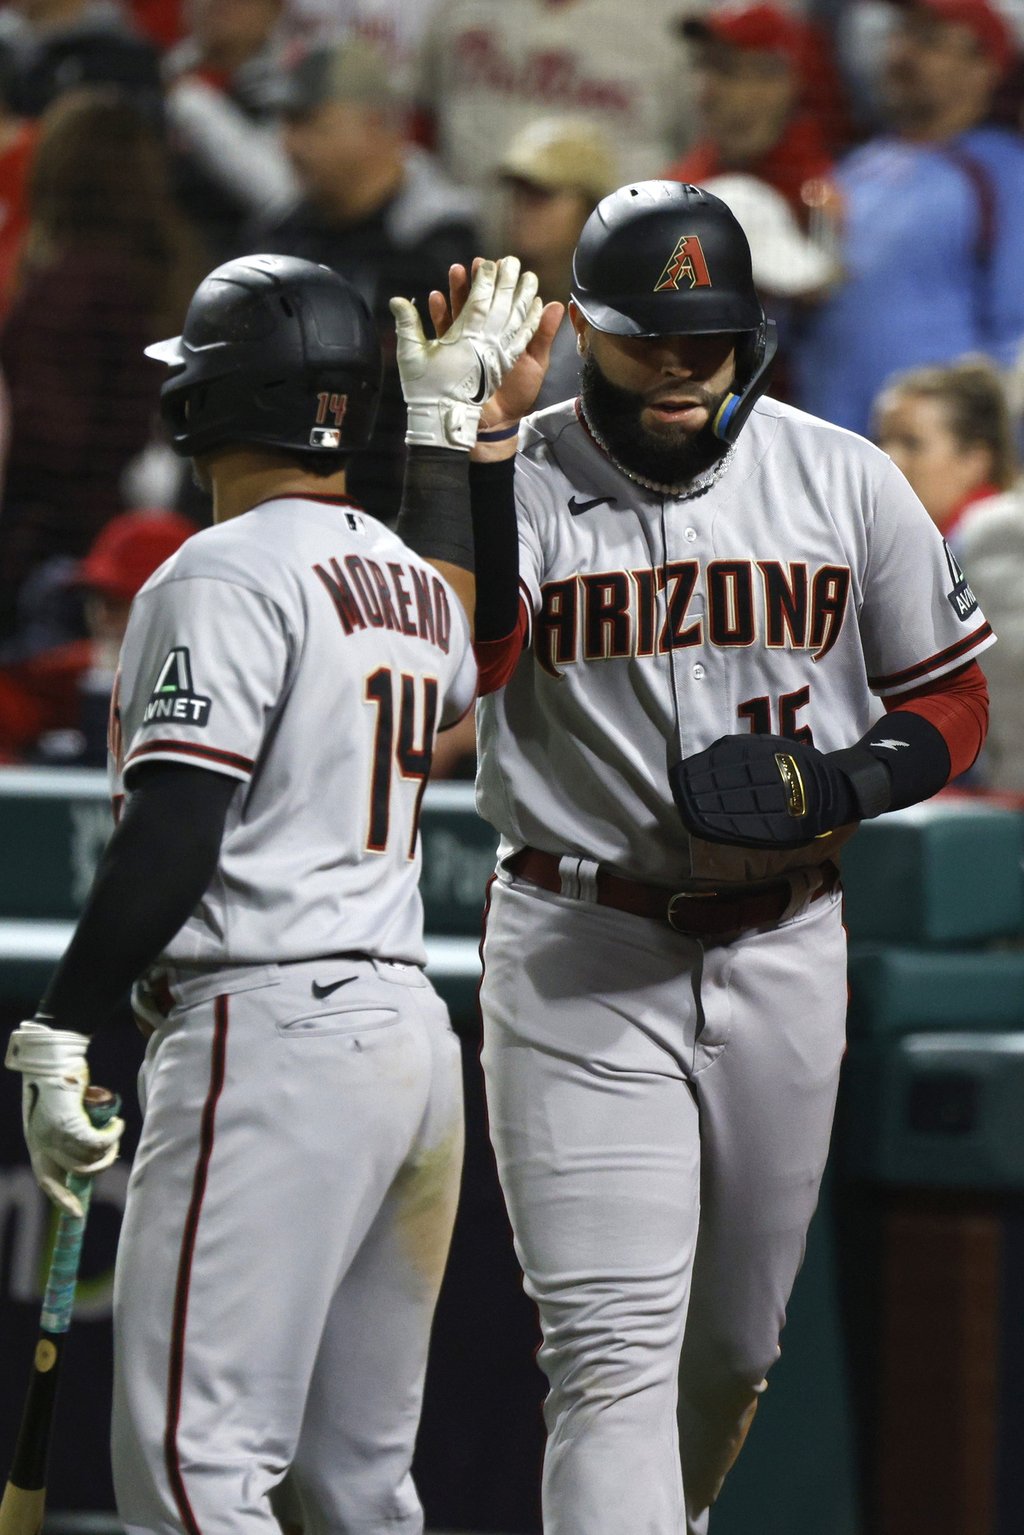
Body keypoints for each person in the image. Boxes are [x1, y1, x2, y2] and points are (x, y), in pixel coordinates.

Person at [403, 180, 993, 1534]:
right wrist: (471, 456)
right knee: (610, 1353)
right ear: (584, 332)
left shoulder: (839, 475)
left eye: (704, 339)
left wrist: (846, 778)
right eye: (643, 339)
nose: (678, 367)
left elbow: (950, 696)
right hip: (582, 944)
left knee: (732, 1352)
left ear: (749, 336)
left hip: (787, 944)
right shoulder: (522, 473)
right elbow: (465, 665)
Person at [5, 250, 541, 1534]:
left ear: (201, 404)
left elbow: (175, 829)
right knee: (354, 1486)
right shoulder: (405, 578)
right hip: (408, 1045)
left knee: (194, 1468)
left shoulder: (219, 571)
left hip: (270, 1034)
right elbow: (477, 637)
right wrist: (447, 438)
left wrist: (63, 1023)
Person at [253, 35, 479, 526]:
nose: (289, 145)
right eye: (285, 123)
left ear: (377, 123)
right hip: (282, 505)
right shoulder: (281, 233)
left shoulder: (441, 246)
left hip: (398, 519)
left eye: (309, 123)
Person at [0, 86, 200, 636]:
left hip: (68, 571)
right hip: (160, 547)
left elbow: (47, 449)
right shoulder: (181, 275)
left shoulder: (62, 292)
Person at [791, 0, 1024, 436]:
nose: (902, 54)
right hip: (829, 442)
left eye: (929, 40)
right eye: (900, 34)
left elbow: (1018, 335)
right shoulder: (851, 171)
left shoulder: (1005, 172)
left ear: (985, 68)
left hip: (936, 453)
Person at [0, 508, 197, 766]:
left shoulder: (226, 687)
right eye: (97, 599)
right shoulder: (67, 675)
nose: (102, 616)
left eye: (121, 603)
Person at [872, 355, 1017, 540]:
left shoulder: (1001, 541)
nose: (889, 457)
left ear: (974, 461)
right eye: (880, 441)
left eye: (911, 444)